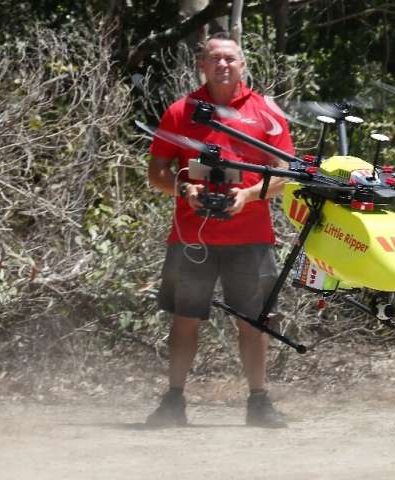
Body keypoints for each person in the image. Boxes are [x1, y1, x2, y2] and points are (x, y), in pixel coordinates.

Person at [145, 32, 292, 428]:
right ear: (202, 65)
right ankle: (173, 401)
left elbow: (284, 174)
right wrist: (183, 188)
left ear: (242, 65)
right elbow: (156, 171)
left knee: (255, 320)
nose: (222, 64)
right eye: (214, 58)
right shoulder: (181, 110)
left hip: (252, 236)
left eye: (230, 58)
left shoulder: (266, 113)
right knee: (184, 318)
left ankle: (259, 403)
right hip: (192, 236)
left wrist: (247, 196)